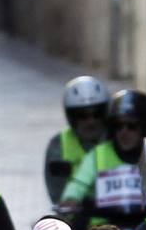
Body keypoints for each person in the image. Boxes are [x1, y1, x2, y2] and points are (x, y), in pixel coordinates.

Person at [57, 89, 146, 230]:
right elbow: (77, 185)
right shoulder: (98, 154)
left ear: (145, 127)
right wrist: (71, 200)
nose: (124, 132)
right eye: (119, 126)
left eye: (132, 126)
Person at [44, 76, 110, 204]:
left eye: (97, 114)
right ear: (71, 117)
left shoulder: (120, 137)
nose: (91, 121)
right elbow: (57, 193)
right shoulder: (59, 145)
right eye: (82, 116)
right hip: (78, 219)